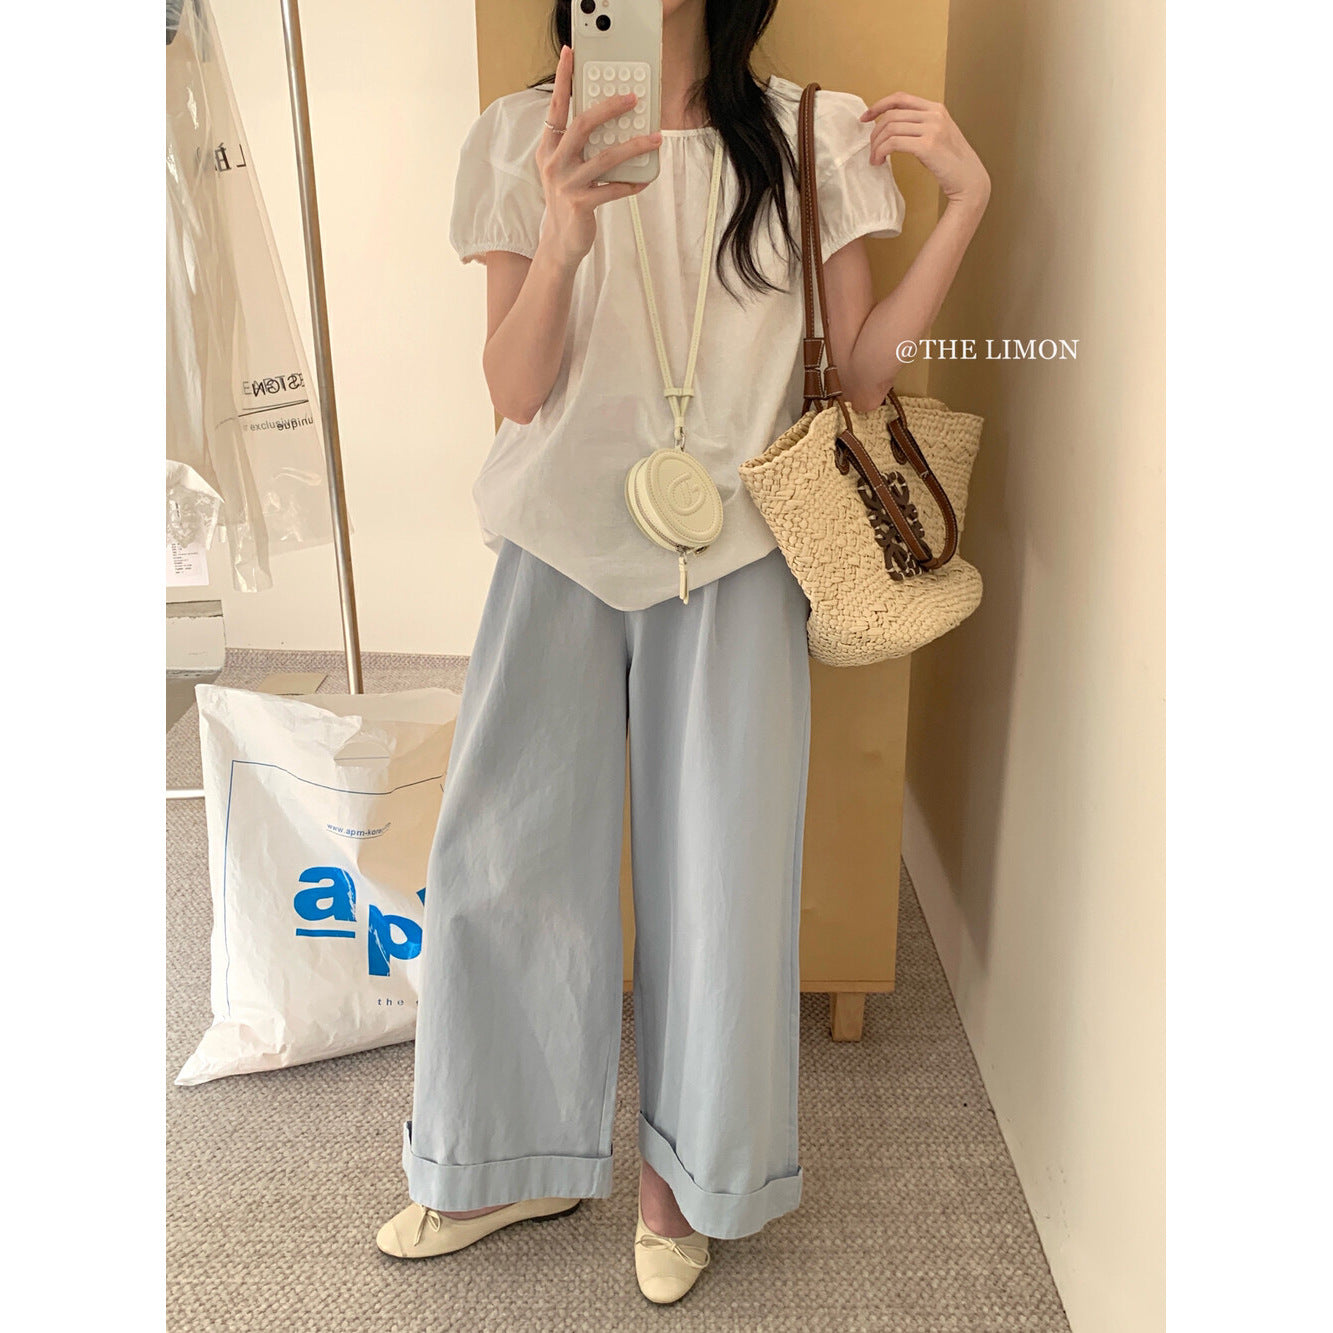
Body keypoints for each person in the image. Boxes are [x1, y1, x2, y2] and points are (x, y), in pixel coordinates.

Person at [376, 0, 989, 1305]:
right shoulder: (520, 136)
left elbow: (861, 378)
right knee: (500, 852)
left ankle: (687, 1178)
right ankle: (503, 1154)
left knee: (723, 877)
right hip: (556, 541)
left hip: (738, 553)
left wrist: (966, 207)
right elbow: (514, 390)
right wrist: (562, 234)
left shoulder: (810, 136)